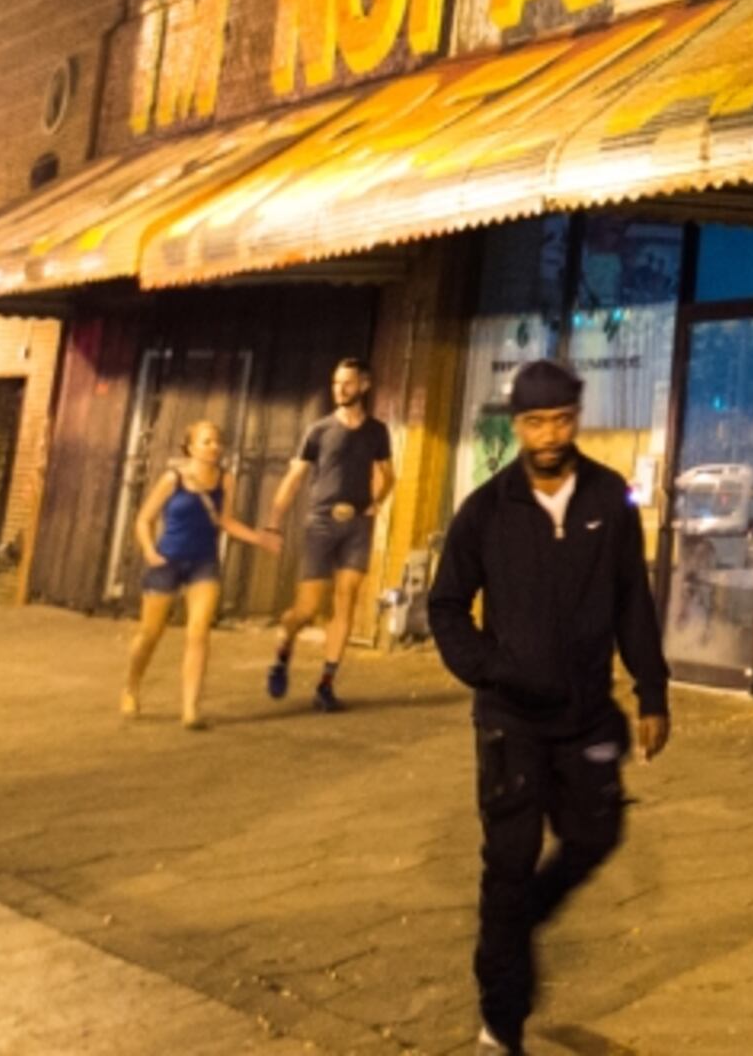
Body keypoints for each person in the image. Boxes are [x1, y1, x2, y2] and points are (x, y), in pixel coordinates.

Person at [431, 359, 670, 1056]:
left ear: (576, 417)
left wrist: (651, 690)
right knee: (508, 861)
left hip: (588, 714)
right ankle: (500, 1022)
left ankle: (522, 917)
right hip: (510, 721)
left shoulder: (608, 498)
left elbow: (633, 599)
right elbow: (445, 605)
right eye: (536, 422)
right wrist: (489, 670)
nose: (550, 434)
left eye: (561, 419)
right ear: (517, 426)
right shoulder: (486, 510)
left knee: (596, 835)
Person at [121, 418, 280, 727]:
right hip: (167, 561)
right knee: (150, 634)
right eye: (206, 441)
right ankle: (132, 685)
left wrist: (260, 538)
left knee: (199, 632)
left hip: (204, 562)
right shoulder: (173, 479)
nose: (214, 447)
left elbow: (226, 521)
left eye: (217, 441)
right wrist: (149, 550)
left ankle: (191, 709)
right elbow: (144, 518)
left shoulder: (226, 480)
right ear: (190, 446)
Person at [264, 356, 396, 710]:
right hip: (321, 522)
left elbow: (389, 475)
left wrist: (375, 502)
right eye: (336, 382)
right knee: (307, 609)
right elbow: (294, 478)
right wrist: (274, 523)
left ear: (364, 386)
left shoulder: (377, 432)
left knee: (347, 596)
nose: (340, 389)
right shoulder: (319, 430)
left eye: (347, 383)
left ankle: (325, 684)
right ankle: (283, 648)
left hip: (357, 523)